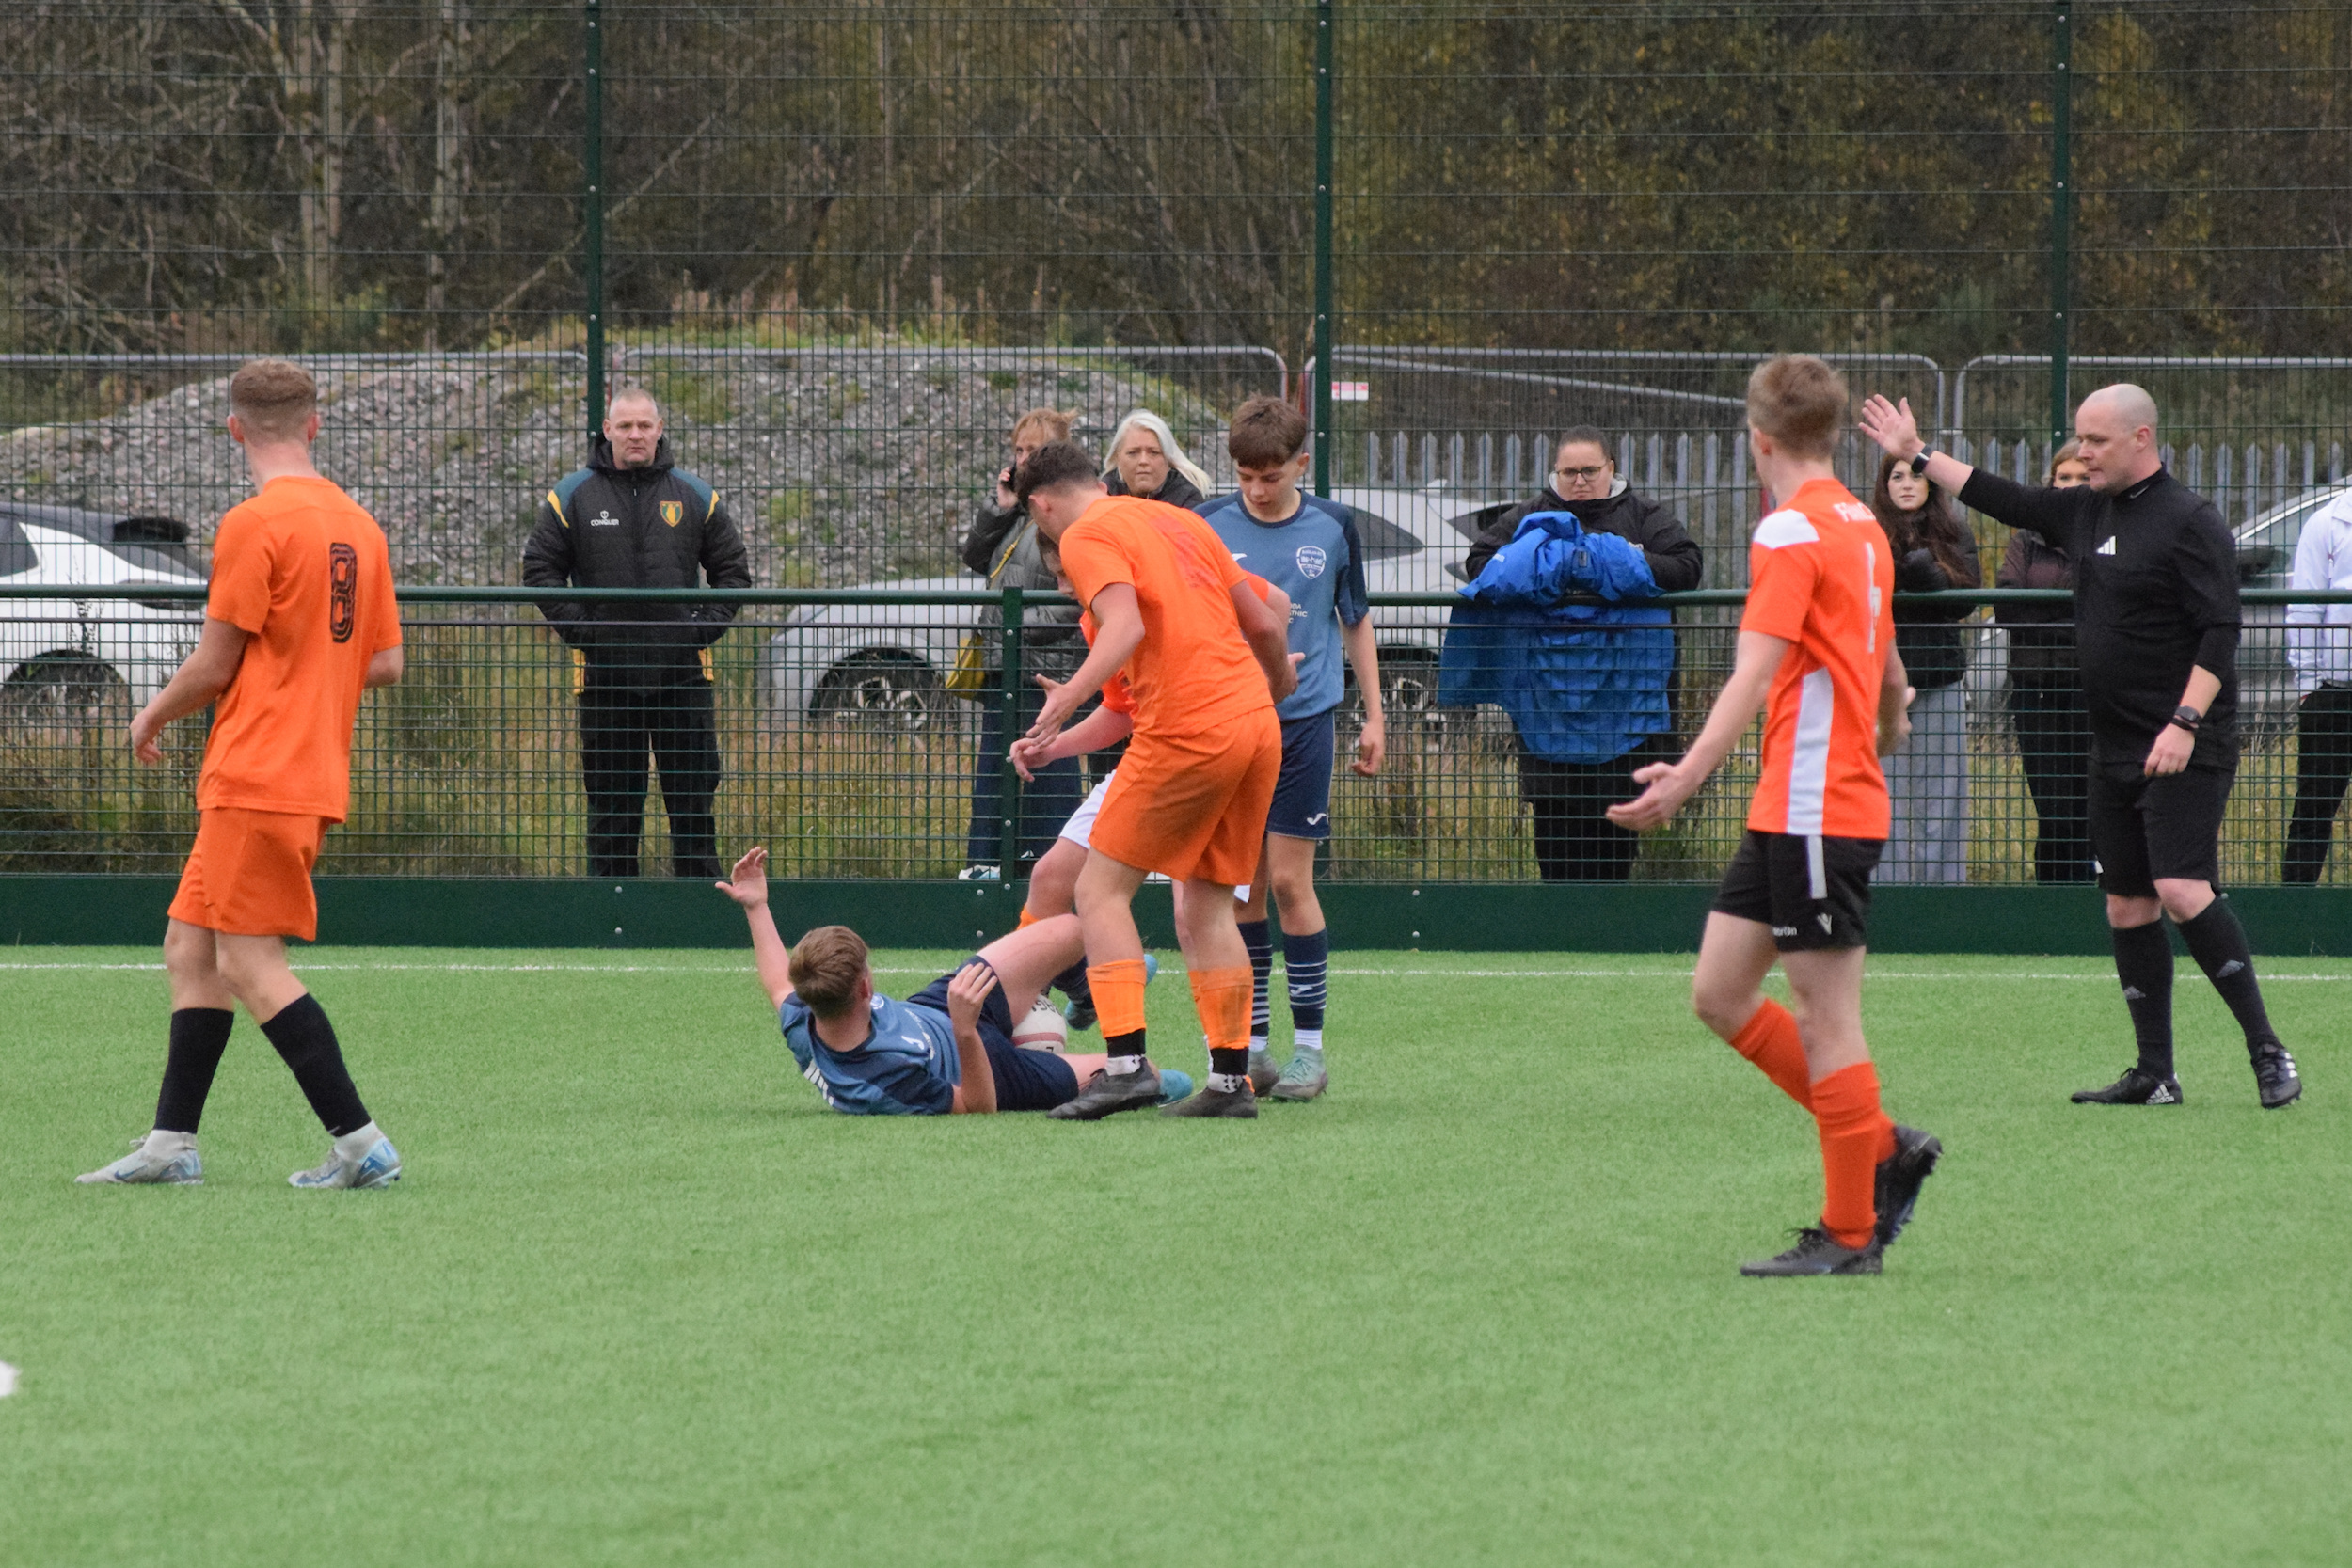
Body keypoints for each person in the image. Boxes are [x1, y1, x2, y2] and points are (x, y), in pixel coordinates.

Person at [1860, 385, 2304, 1109]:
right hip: (2115, 742)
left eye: (2096, 440)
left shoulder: (2190, 521)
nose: (2084, 451)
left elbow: (2221, 630)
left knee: (2182, 889)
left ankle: (2267, 1050)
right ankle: (2155, 1073)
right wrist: (1917, 452)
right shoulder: (2083, 509)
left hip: (2186, 743)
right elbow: (1998, 495)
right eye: (2080, 438)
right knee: (2127, 906)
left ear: (2141, 437)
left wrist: (2185, 723)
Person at [1609, 355, 1941, 1277]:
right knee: (1718, 992)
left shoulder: (1792, 531)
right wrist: (1893, 705)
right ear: (1831, 434)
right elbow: (1880, 654)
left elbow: (1752, 671)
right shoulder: (1860, 522)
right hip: (1795, 805)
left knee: (1826, 1016)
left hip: (1813, 806)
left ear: (1756, 438)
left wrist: (1682, 776)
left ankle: (1846, 1234)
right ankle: (1882, 1144)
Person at [79, 358, 406, 1189]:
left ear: (234, 430)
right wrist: (309, 673)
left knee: (249, 962)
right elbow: (387, 661)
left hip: (256, 772)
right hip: (305, 773)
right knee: (190, 945)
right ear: (313, 423)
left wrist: (150, 712)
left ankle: (361, 1142)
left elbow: (216, 663)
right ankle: (171, 1143)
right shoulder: (359, 526)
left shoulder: (254, 523)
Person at [1014, 440, 1298, 1119]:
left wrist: (1061, 700)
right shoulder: (1179, 520)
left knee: (1097, 888)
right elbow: (1268, 613)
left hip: (1189, 728)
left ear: (1041, 503)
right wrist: (1279, 684)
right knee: (1203, 905)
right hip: (1254, 726)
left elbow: (1125, 626)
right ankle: (1230, 1083)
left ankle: (1125, 1065)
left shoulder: (1087, 533)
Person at [1194, 395, 1383, 1100]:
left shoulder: (1334, 526)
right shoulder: (1207, 523)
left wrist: (1376, 714)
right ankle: (1258, 1047)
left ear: (1301, 462)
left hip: (1305, 721)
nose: (1256, 487)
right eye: (1245, 474)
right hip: (1232, 722)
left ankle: (1311, 1050)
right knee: (1240, 883)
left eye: (1269, 474)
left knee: (1287, 882)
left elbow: (1355, 621)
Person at [711, 846, 1190, 1115]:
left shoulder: (803, 1014)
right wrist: (965, 1031)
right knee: (1144, 1072)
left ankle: (1091, 991)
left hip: (942, 1003)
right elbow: (978, 1107)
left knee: (1069, 929)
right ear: (864, 987)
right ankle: (1115, 1028)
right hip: (987, 1066)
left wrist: (757, 904)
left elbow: (777, 982)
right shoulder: (881, 1082)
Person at [1447, 427, 1703, 881]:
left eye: (1589, 471)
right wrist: (1548, 565)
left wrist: (1622, 561)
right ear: (1555, 473)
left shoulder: (1644, 515)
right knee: (1555, 834)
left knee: (1616, 839)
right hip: (1548, 707)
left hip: (1625, 712)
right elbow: (1479, 563)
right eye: (1569, 472)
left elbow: (1687, 566)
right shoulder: (1531, 515)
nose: (1579, 481)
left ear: (1611, 469)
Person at [523, 386, 750, 879]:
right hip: (604, 681)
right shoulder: (571, 496)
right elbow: (540, 569)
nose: (635, 435)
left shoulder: (695, 495)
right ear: (607, 431)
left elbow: (733, 572)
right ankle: (611, 924)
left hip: (684, 680)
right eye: (624, 426)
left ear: (660, 429)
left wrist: (698, 634)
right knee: (612, 813)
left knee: (693, 810)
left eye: (644, 425)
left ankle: (695, 922)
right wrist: (584, 634)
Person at [957, 407, 1087, 879]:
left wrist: (1018, 625)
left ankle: (1051, 868)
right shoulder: (1017, 511)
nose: (1023, 459)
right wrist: (999, 508)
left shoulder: (1065, 516)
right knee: (994, 769)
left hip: (1045, 668)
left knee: (1047, 770)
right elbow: (974, 556)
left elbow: (1075, 599)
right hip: (1001, 665)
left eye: (1034, 451)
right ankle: (986, 865)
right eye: (1018, 449)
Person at [1871, 451, 1982, 883]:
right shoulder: (1868, 532)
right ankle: (1887, 891)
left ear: (1932, 485)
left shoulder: (1955, 532)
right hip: (1880, 681)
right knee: (1883, 790)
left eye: (1916, 476)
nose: (1907, 484)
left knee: (1944, 794)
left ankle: (1944, 893)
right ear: (1884, 485)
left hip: (1939, 677)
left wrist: (1933, 578)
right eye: (1896, 476)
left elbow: (1967, 600)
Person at [1996, 443, 2096, 883]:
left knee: (2091, 800)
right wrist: (2067, 614)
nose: (2072, 487)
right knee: (2052, 804)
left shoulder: (2106, 537)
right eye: (2064, 478)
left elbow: (2102, 608)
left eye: (2082, 478)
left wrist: (2048, 614)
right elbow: (2008, 607)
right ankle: (2052, 897)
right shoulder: (2025, 539)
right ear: (2051, 483)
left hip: (2092, 688)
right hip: (2034, 688)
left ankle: (2094, 900)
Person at [2283, 484, 2352, 881]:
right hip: (2334, 695)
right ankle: (2292, 916)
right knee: (2314, 808)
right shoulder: (2326, 523)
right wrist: (2309, 685)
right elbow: (2305, 608)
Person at [1101, 409, 1211, 512]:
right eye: (1133, 453)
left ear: (1168, 460)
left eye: (1154, 452)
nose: (1143, 461)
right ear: (1118, 458)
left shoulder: (1187, 501)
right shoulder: (1102, 498)